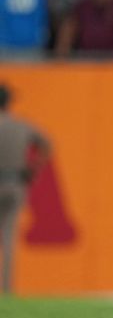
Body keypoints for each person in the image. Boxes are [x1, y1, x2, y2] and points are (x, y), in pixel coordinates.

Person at [0, 84, 51, 294]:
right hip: (14, 181)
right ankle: (7, 288)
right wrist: (33, 170)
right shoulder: (20, 126)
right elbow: (46, 144)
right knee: (9, 239)